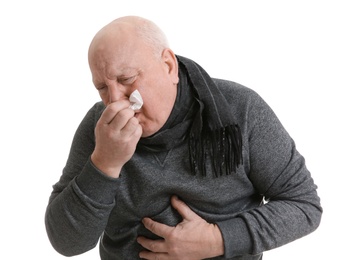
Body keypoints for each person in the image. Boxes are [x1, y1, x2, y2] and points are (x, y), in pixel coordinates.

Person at [45, 16, 322, 260]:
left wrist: (217, 239)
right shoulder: (100, 127)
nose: (115, 101)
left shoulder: (241, 109)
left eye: (127, 79)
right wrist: (104, 163)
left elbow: (304, 205)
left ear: (168, 66)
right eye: (102, 87)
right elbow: (66, 242)